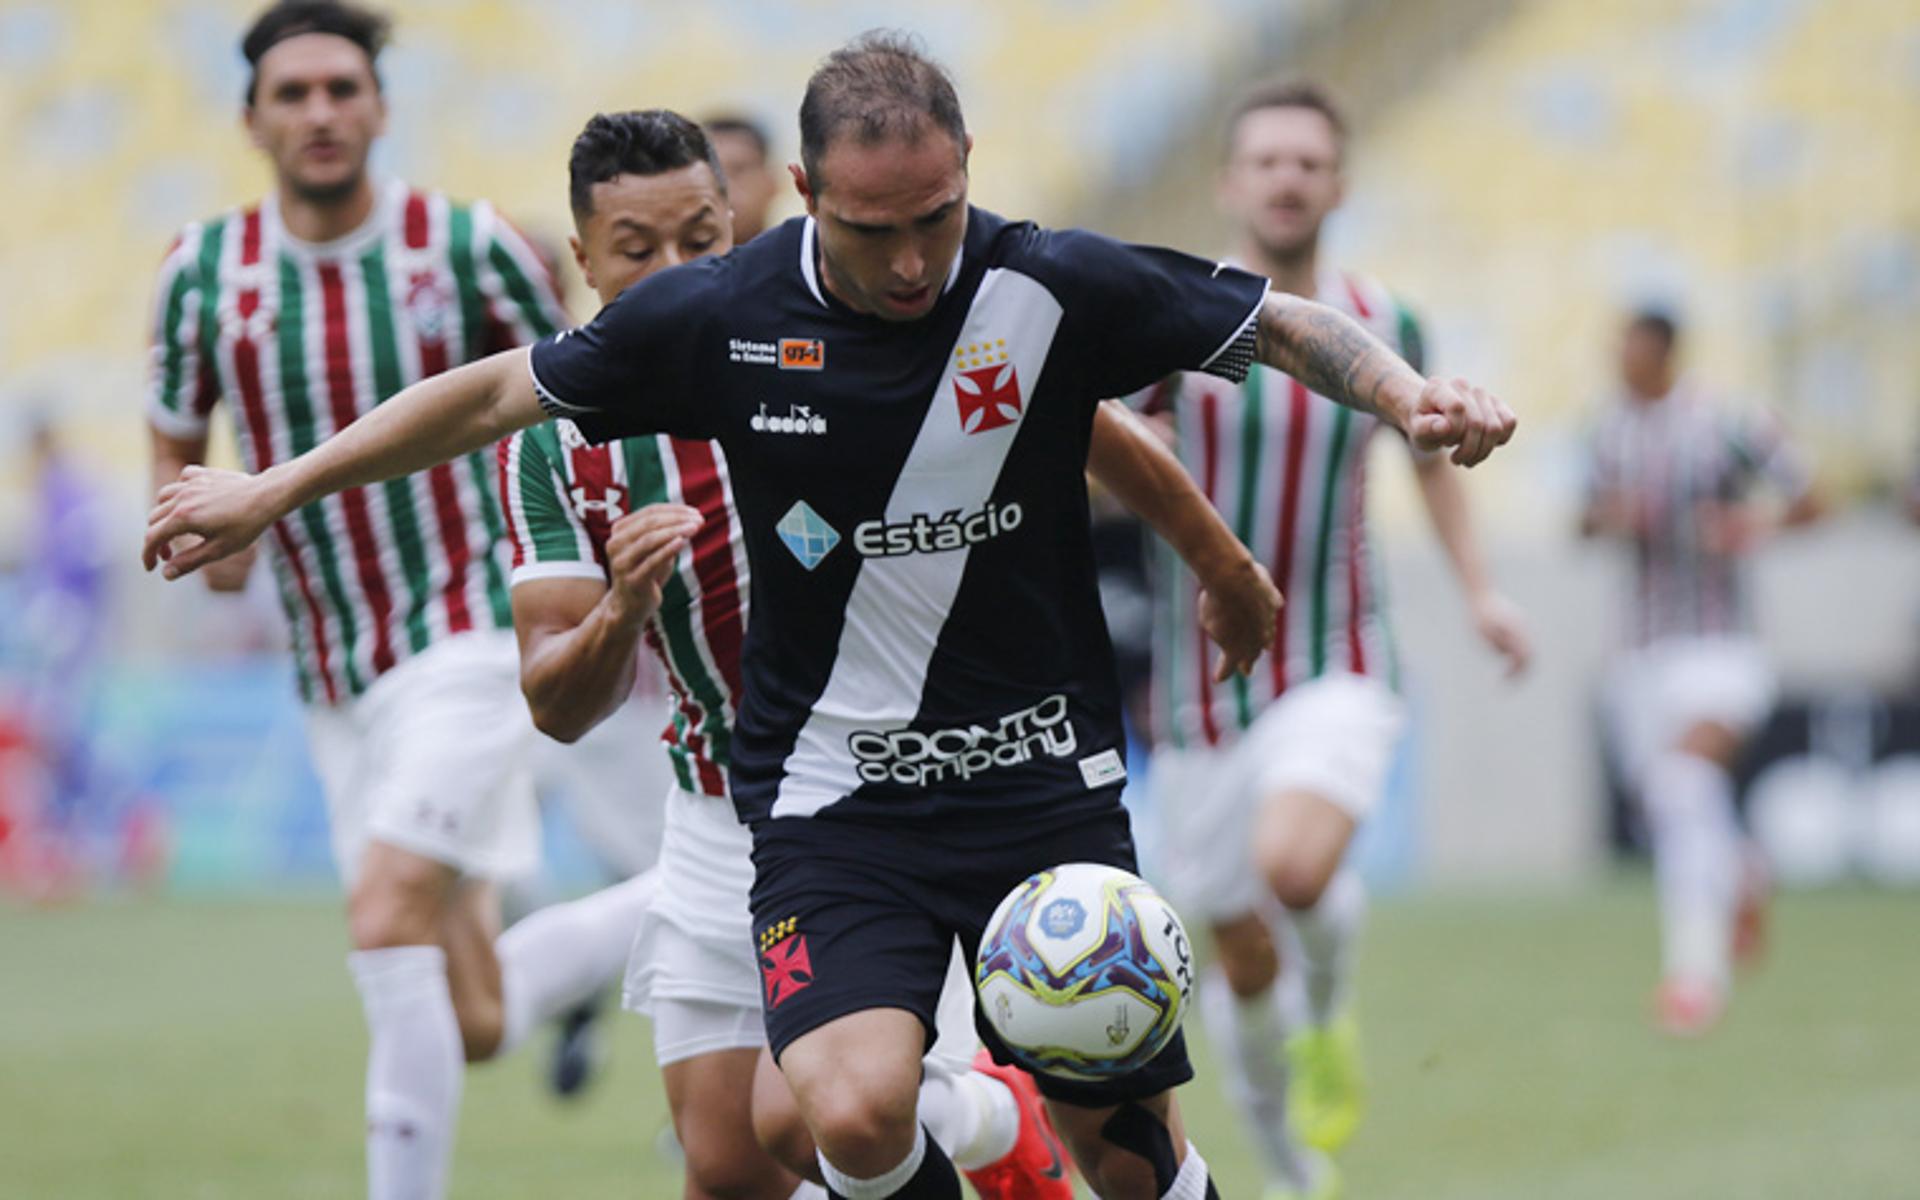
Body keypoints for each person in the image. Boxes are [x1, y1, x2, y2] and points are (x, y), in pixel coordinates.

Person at [143, 31, 1515, 1200]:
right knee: (835, 1119)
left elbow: (1273, 324)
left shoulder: (1045, 286)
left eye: (938, 216)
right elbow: (498, 394)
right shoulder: (722, 317)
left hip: (1042, 785)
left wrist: (1407, 400)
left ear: (966, 167)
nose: (916, 262)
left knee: (1126, 1149)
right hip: (826, 802)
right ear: (805, 194)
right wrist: (276, 485)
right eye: (874, 230)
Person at [501, 106, 1081, 1200]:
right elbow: (555, 703)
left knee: (806, 1120)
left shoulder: (833, 355)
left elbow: (1070, 420)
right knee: (726, 1166)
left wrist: (1214, 553)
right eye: (636, 253)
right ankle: (989, 1118)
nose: (673, 275)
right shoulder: (556, 440)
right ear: (582, 258)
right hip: (716, 814)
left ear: (746, 221)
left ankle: (1001, 1116)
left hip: (880, 802)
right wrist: (624, 606)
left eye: (700, 243)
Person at [144, 5, 656, 1195]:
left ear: (378, 105)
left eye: (342, 88)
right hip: (333, 672)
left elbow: (576, 407)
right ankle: (701, 899)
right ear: (252, 118)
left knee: (383, 914)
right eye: (294, 93)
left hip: (470, 629)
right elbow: (172, 451)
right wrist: (195, 537)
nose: (320, 112)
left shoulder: (470, 247)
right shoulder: (201, 274)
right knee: (469, 1016)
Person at [1140, 82, 1533, 1198]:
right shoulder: (1176, 317)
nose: (1286, 178)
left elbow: (1432, 465)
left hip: (1339, 650)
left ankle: (1328, 1009)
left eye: (1308, 162)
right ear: (1229, 182)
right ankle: (1286, 1163)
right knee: (1236, 953)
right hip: (1197, 684)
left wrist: (1482, 594)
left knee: (1294, 866)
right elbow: (1113, 469)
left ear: (1340, 184)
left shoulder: (1389, 326)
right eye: (1265, 160)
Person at [1581, 308, 1820, 1036]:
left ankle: (1695, 973)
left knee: (1684, 783)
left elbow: (1811, 500)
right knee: (1668, 800)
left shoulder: (1726, 421)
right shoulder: (1608, 432)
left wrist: (1751, 527)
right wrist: (1607, 517)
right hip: (1644, 651)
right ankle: (1743, 866)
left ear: (1666, 353)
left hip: (1722, 645)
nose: (1623, 361)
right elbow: (1584, 520)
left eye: (1634, 349)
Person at [704, 113, 780, 242]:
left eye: (739, 170)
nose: (724, 186)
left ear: (772, 181)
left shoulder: (813, 258)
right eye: (709, 173)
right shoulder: (669, 260)